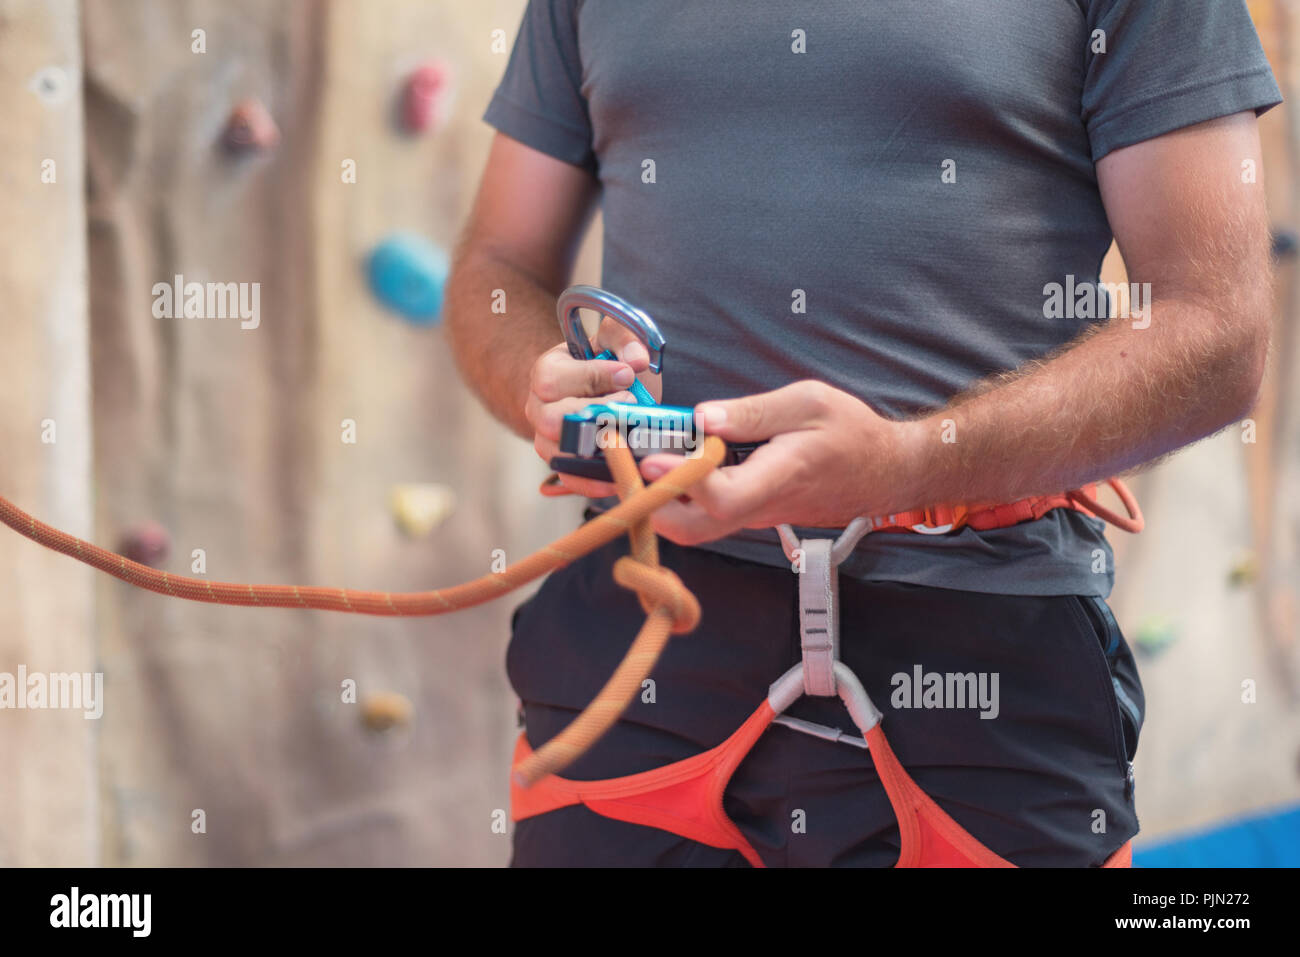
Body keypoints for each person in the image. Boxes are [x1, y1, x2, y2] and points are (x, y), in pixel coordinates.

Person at [446, 0, 1282, 866]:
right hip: (645, 630)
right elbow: (497, 265)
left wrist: (911, 462)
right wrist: (532, 380)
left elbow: (1216, 328)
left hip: (977, 651)